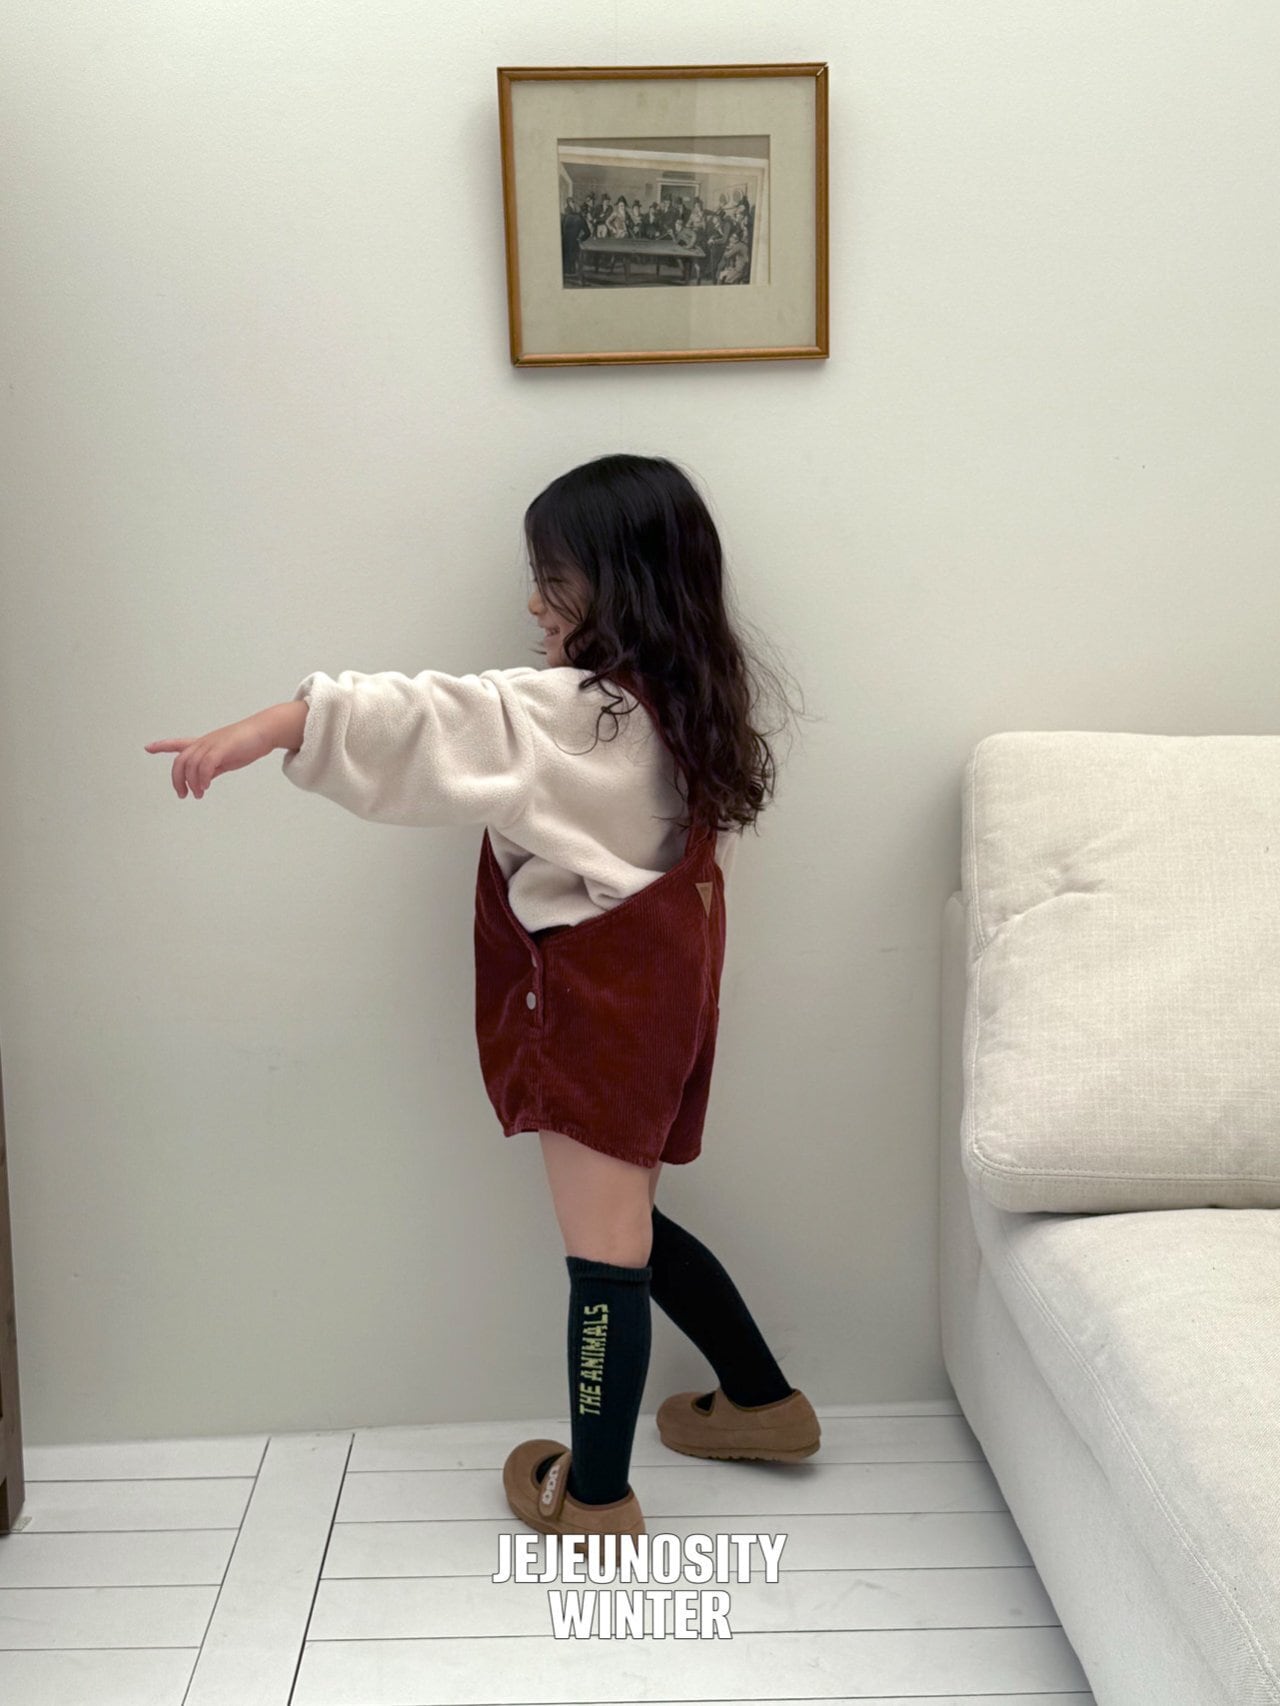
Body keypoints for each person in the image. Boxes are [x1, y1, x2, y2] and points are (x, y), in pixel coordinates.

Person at [143, 452, 820, 1539]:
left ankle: (594, 1495)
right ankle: (759, 1401)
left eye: (553, 579)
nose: (534, 604)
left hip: (592, 1010)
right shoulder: (691, 705)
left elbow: (429, 716)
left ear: (616, 582)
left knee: (604, 1253)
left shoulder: (570, 712)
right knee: (630, 1223)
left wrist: (273, 725)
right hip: (664, 1005)